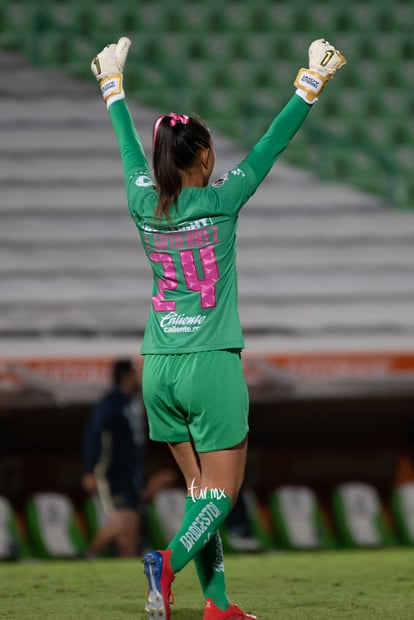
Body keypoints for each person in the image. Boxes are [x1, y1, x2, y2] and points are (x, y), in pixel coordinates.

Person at [90, 37, 346, 618]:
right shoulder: (223, 199)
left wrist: (113, 87)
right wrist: (312, 81)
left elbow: (129, 151)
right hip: (211, 362)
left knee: (199, 493)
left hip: (157, 364)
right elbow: (268, 147)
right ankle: (165, 561)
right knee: (222, 494)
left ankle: (219, 606)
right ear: (203, 157)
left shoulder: (140, 202)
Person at [82, 358, 145, 557]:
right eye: (136, 373)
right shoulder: (110, 403)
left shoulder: (131, 403)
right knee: (120, 522)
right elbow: (93, 435)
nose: (140, 378)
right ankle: (88, 555)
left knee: (132, 521)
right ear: (126, 376)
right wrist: (90, 469)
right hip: (111, 472)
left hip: (129, 473)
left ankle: (129, 570)